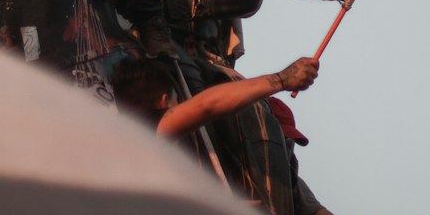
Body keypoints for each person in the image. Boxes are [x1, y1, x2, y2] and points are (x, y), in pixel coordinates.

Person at [269, 98, 380, 215]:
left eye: (290, 140)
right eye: (282, 139)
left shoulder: (289, 180)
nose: (288, 146)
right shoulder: (234, 164)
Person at [111, 54, 319, 138]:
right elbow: (206, 105)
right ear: (164, 101)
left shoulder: (99, 133)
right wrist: (281, 79)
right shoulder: (148, 131)